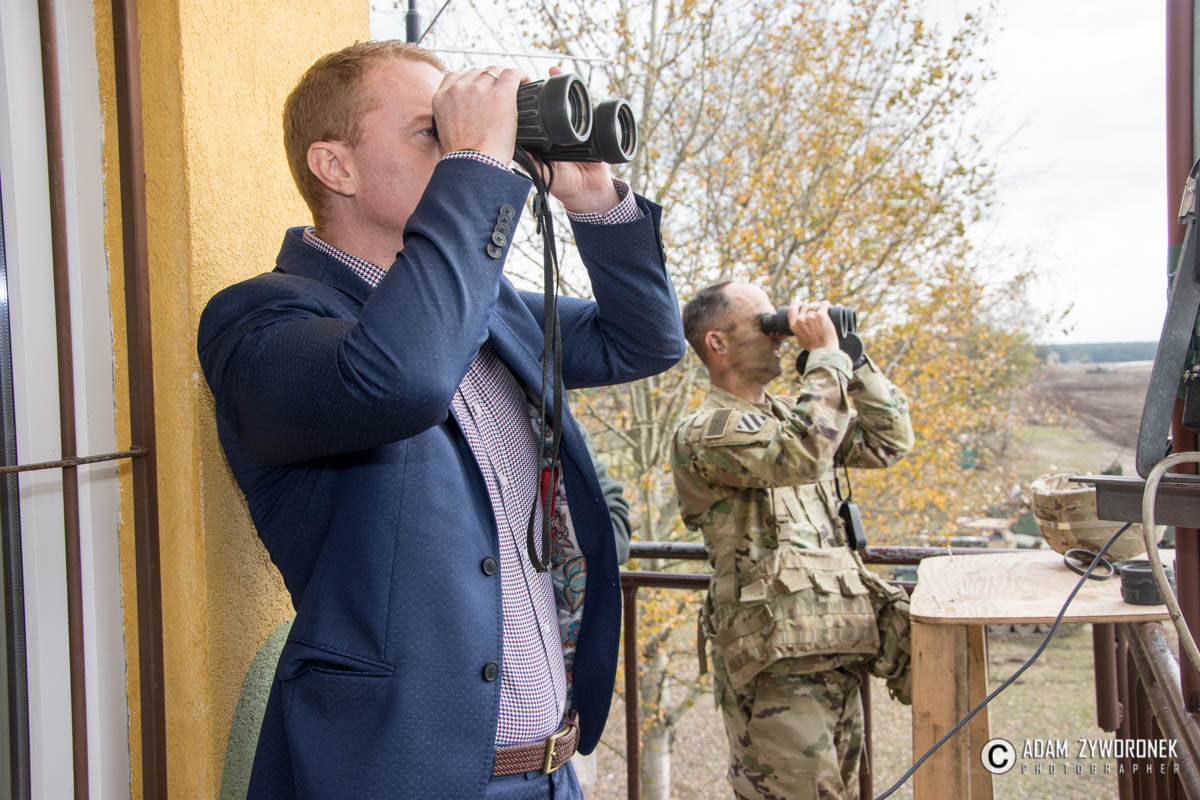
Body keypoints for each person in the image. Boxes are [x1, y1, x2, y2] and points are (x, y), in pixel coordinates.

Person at [197, 40, 684, 799]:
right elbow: (403, 377)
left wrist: (595, 200)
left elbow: (643, 341)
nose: (464, 143)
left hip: (552, 770)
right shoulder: (259, 321)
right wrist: (477, 166)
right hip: (404, 779)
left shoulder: (490, 310)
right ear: (337, 167)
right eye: (434, 130)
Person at [670, 281, 914, 800]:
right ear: (717, 342)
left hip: (835, 644)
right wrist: (824, 357)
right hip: (774, 667)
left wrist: (851, 358)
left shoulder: (793, 414)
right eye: (766, 325)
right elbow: (801, 453)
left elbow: (889, 440)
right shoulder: (706, 430)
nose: (780, 336)